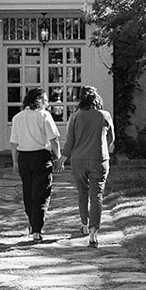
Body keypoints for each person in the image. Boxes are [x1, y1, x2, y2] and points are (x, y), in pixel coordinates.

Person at [63, 87, 115, 247]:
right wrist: (102, 147)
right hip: (99, 159)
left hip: (78, 160)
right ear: (96, 98)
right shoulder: (104, 115)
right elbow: (111, 138)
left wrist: (62, 159)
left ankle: (84, 224)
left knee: (82, 193)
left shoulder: (74, 117)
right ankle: (93, 232)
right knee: (96, 195)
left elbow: (70, 141)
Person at [8, 86, 61, 241]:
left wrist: (14, 162)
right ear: (38, 100)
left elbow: (13, 143)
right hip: (41, 157)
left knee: (28, 192)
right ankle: (36, 229)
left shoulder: (17, 117)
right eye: (45, 100)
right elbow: (54, 140)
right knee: (42, 193)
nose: (47, 103)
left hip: (24, 157)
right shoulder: (44, 116)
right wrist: (58, 158)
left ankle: (33, 224)